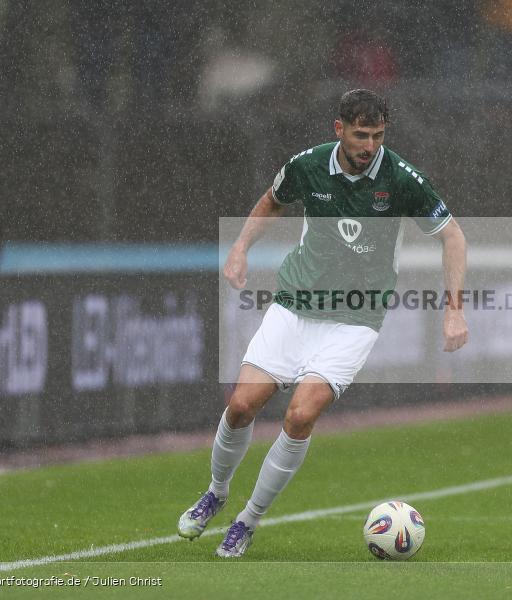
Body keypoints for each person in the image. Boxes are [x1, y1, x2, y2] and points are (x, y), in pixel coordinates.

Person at [177, 89, 469, 558]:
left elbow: (452, 236)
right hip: (295, 303)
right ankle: (215, 492)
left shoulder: (401, 178)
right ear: (339, 130)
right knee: (241, 405)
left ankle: (247, 520)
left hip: (355, 317)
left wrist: (454, 307)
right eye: (360, 135)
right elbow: (272, 200)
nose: (369, 145)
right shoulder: (308, 165)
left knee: (300, 414)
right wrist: (239, 247)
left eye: (377, 135)